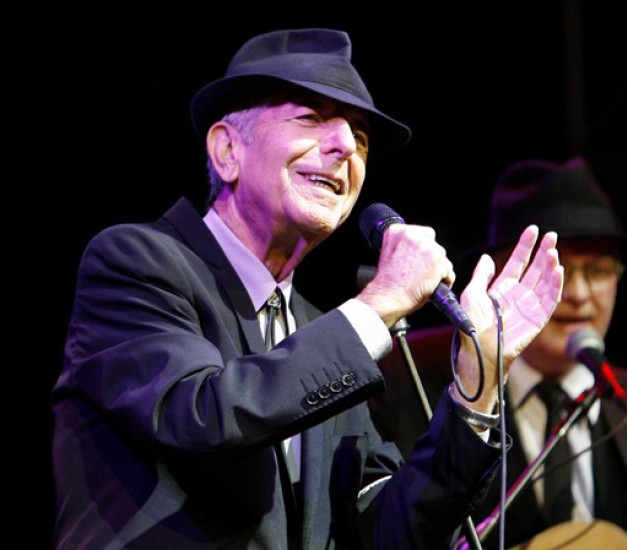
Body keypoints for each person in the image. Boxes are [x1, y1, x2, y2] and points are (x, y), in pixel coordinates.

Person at [51, 28, 566, 550]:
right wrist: (377, 306)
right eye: (312, 117)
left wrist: (476, 385)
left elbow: (388, 531)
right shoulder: (135, 263)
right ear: (227, 150)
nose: (346, 147)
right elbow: (200, 418)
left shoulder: (324, 333)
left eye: (360, 137)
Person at [371, 157, 627, 550]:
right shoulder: (406, 387)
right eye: (555, 270)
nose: (578, 294)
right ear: (500, 276)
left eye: (597, 271)